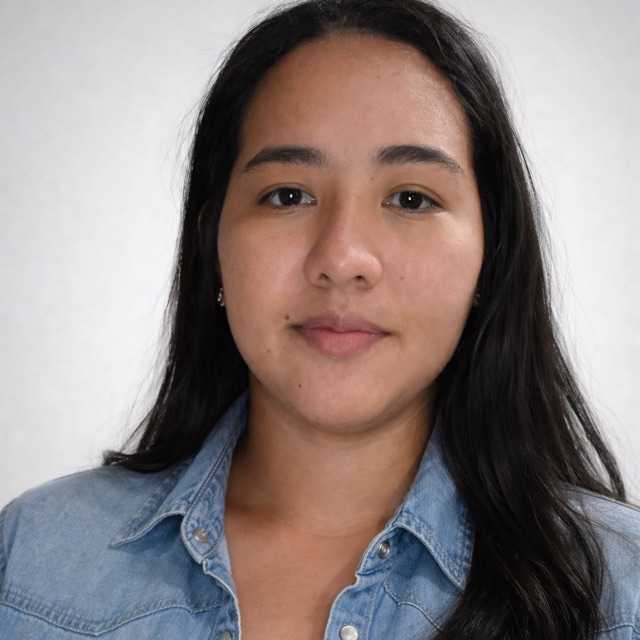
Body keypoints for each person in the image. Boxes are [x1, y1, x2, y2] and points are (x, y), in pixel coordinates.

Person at [1, 0, 638, 638]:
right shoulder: (30, 564)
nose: (341, 258)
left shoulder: (622, 596)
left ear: (490, 254)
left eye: (410, 198)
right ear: (212, 244)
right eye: (288, 195)